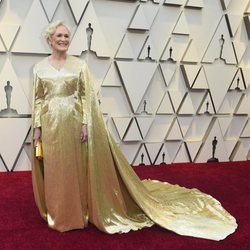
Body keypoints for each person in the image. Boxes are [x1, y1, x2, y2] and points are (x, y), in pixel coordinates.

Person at [32, 21, 237, 240]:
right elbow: (38, 99)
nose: (63, 39)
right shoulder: (39, 68)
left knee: (76, 167)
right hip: (51, 124)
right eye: (59, 36)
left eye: (66, 36)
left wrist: (85, 123)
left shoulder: (80, 65)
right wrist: (37, 128)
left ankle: (79, 212)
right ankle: (59, 212)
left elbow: (86, 96)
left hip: (74, 122)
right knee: (57, 169)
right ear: (50, 39)